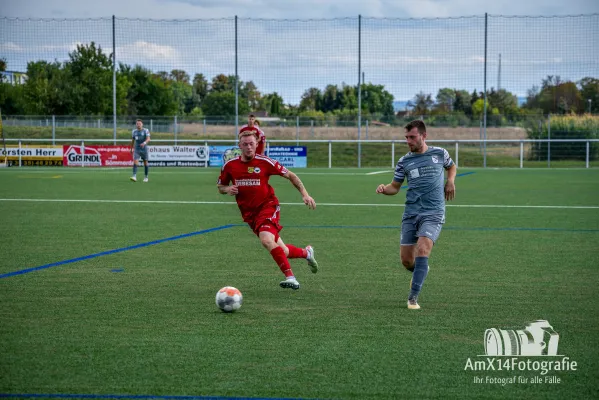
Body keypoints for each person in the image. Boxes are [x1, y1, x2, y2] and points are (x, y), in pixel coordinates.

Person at [217, 129, 318, 290]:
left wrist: (305, 194)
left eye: (251, 144)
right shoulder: (230, 166)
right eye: (245, 144)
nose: (249, 147)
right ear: (239, 146)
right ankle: (307, 253)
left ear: (257, 144)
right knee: (283, 251)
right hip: (250, 215)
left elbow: (291, 175)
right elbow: (220, 186)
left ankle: (291, 277)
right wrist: (227, 189)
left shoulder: (265, 162)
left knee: (266, 239)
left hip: (268, 206)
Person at [376, 119, 456, 310]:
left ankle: (413, 298)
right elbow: (395, 187)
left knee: (423, 249)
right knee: (407, 260)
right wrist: (383, 189)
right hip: (411, 212)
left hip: (434, 212)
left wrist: (451, 181)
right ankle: (421, 269)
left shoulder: (439, 153)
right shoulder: (404, 161)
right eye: (406, 137)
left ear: (423, 136)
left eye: (412, 137)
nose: (408, 141)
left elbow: (451, 166)